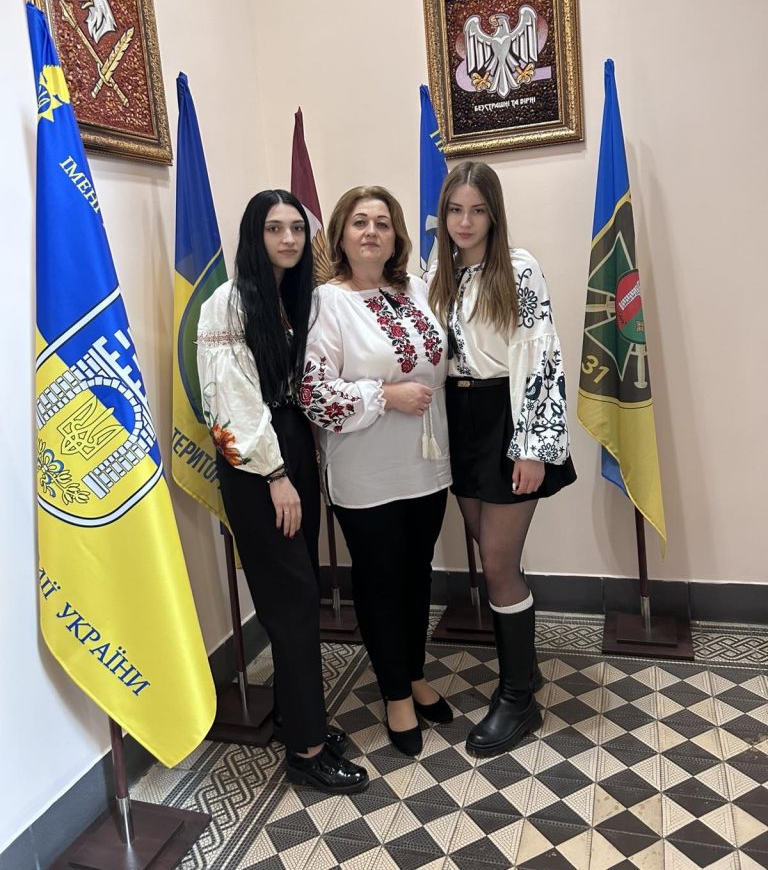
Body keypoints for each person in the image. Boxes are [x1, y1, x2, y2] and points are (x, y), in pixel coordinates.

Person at [196, 189, 368, 794]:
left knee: (302, 593)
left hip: (292, 446)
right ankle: (306, 751)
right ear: (255, 234)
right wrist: (275, 477)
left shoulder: (292, 298)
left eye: (297, 228)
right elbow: (233, 402)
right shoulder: (229, 303)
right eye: (275, 229)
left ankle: (302, 717)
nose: (289, 239)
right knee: (292, 601)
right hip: (258, 467)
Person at [428, 161, 577, 758]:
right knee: (486, 551)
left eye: (477, 210)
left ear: (494, 214)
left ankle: (518, 698)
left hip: (505, 417)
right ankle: (525, 669)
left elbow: (541, 355)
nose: (465, 222)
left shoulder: (518, 268)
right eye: (455, 210)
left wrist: (533, 446)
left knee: (497, 562)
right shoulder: (435, 274)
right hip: (457, 419)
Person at [299, 186, 452, 756]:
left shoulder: (417, 289)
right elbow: (313, 394)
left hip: (427, 465)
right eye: (360, 222)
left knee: (417, 574)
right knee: (380, 579)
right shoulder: (327, 303)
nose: (371, 232)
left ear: (396, 236)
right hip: (365, 472)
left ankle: (413, 671)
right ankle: (395, 694)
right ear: (341, 235)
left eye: (382, 223)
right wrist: (386, 395)